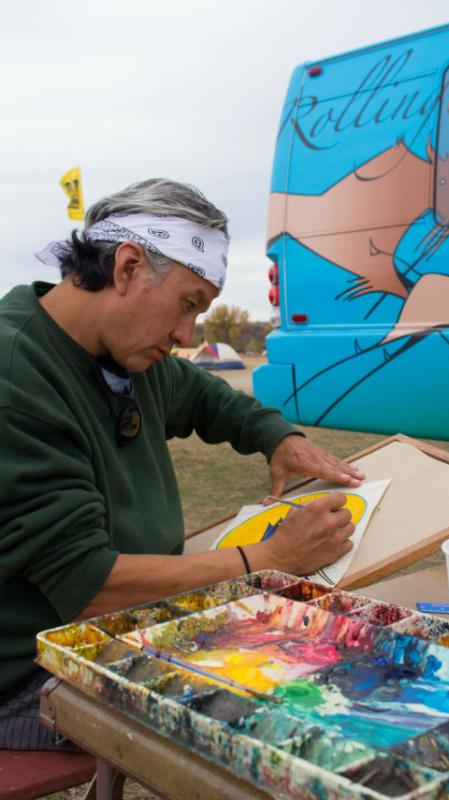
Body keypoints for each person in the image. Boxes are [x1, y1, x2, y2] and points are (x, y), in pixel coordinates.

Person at [0, 178, 364, 750]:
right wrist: (270, 559)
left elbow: (203, 396)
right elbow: (90, 586)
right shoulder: (15, 375)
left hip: (117, 626)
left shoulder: (124, 351)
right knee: (286, 714)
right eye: (188, 305)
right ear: (126, 268)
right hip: (32, 667)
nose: (185, 335)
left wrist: (276, 437)